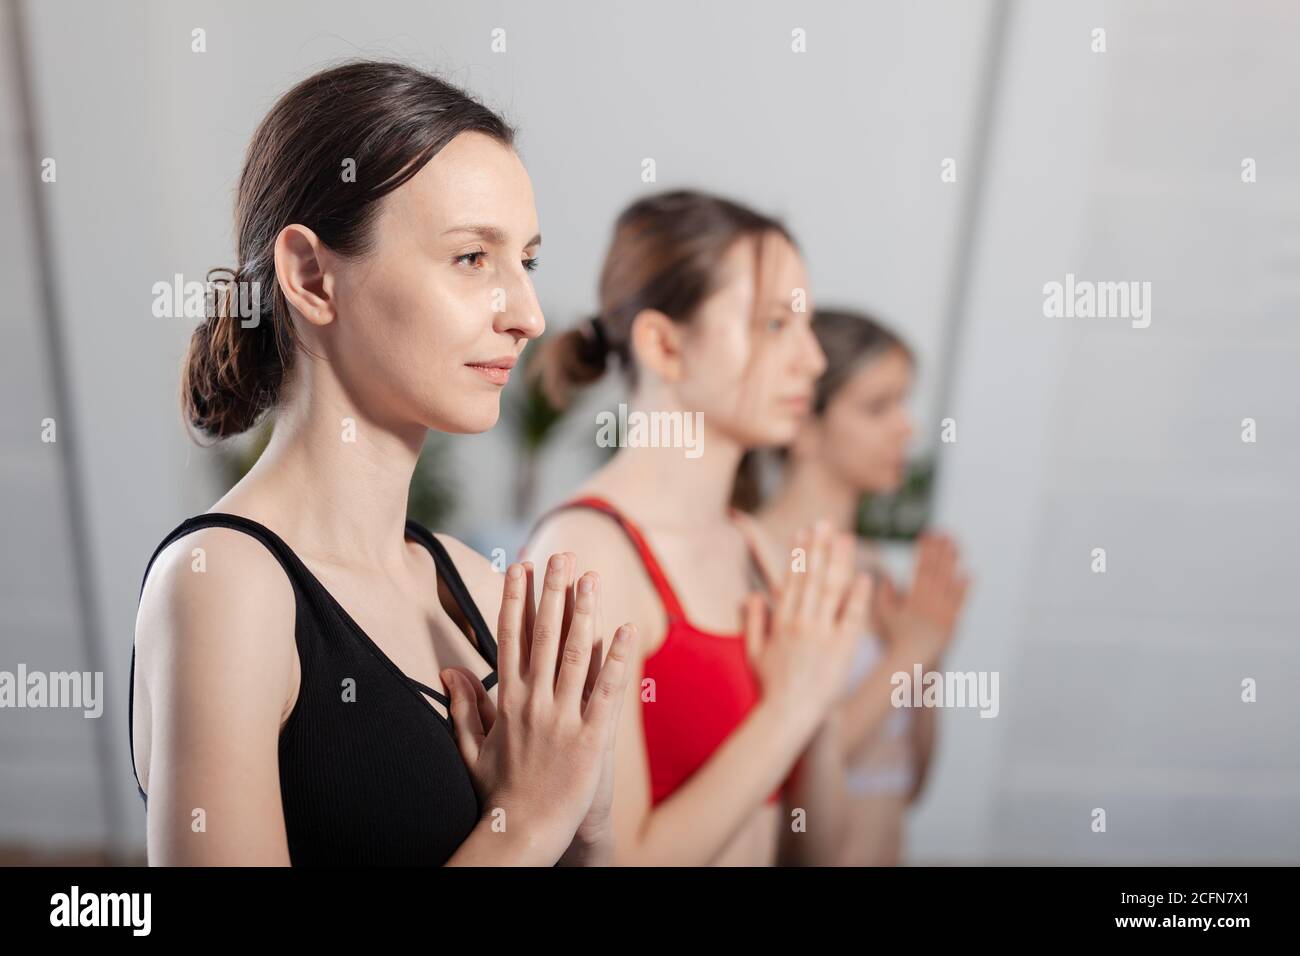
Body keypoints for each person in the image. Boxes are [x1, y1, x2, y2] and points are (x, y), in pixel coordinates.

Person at [129, 60, 637, 866]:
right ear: (311, 276)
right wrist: (530, 822)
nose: (530, 315)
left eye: (527, 262)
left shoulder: (484, 590)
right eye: (473, 258)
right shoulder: (223, 585)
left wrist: (590, 824)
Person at [524, 191, 870, 866]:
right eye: (774, 325)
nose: (813, 361)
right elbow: (611, 861)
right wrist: (790, 709)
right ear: (663, 344)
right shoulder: (588, 554)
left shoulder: (759, 551)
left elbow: (819, 853)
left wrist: (819, 703)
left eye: (807, 327)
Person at [751, 308, 970, 865]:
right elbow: (775, 777)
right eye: (878, 407)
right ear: (803, 424)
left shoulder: (879, 572)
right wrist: (910, 652)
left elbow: (910, 781)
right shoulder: (757, 561)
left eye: (904, 402)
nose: (907, 428)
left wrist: (929, 652)